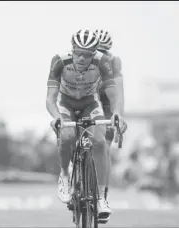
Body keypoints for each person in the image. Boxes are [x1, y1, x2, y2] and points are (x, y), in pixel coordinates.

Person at [46, 28, 124, 222]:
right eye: (78, 53)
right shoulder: (59, 61)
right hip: (66, 104)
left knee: (99, 142)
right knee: (68, 136)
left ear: (94, 54)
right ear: (72, 50)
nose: (81, 58)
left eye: (87, 55)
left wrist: (117, 115)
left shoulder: (102, 61)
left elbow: (113, 95)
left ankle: (100, 198)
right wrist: (56, 116)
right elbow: (50, 99)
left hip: (90, 103)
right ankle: (64, 176)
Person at [95, 28, 126, 205]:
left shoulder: (114, 62)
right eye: (96, 52)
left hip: (106, 102)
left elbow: (118, 95)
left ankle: (101, 197)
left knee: (104, 151)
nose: (100, 56)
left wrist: (118, 116)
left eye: (103, 52)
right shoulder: (81, 62)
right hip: (85, 101)